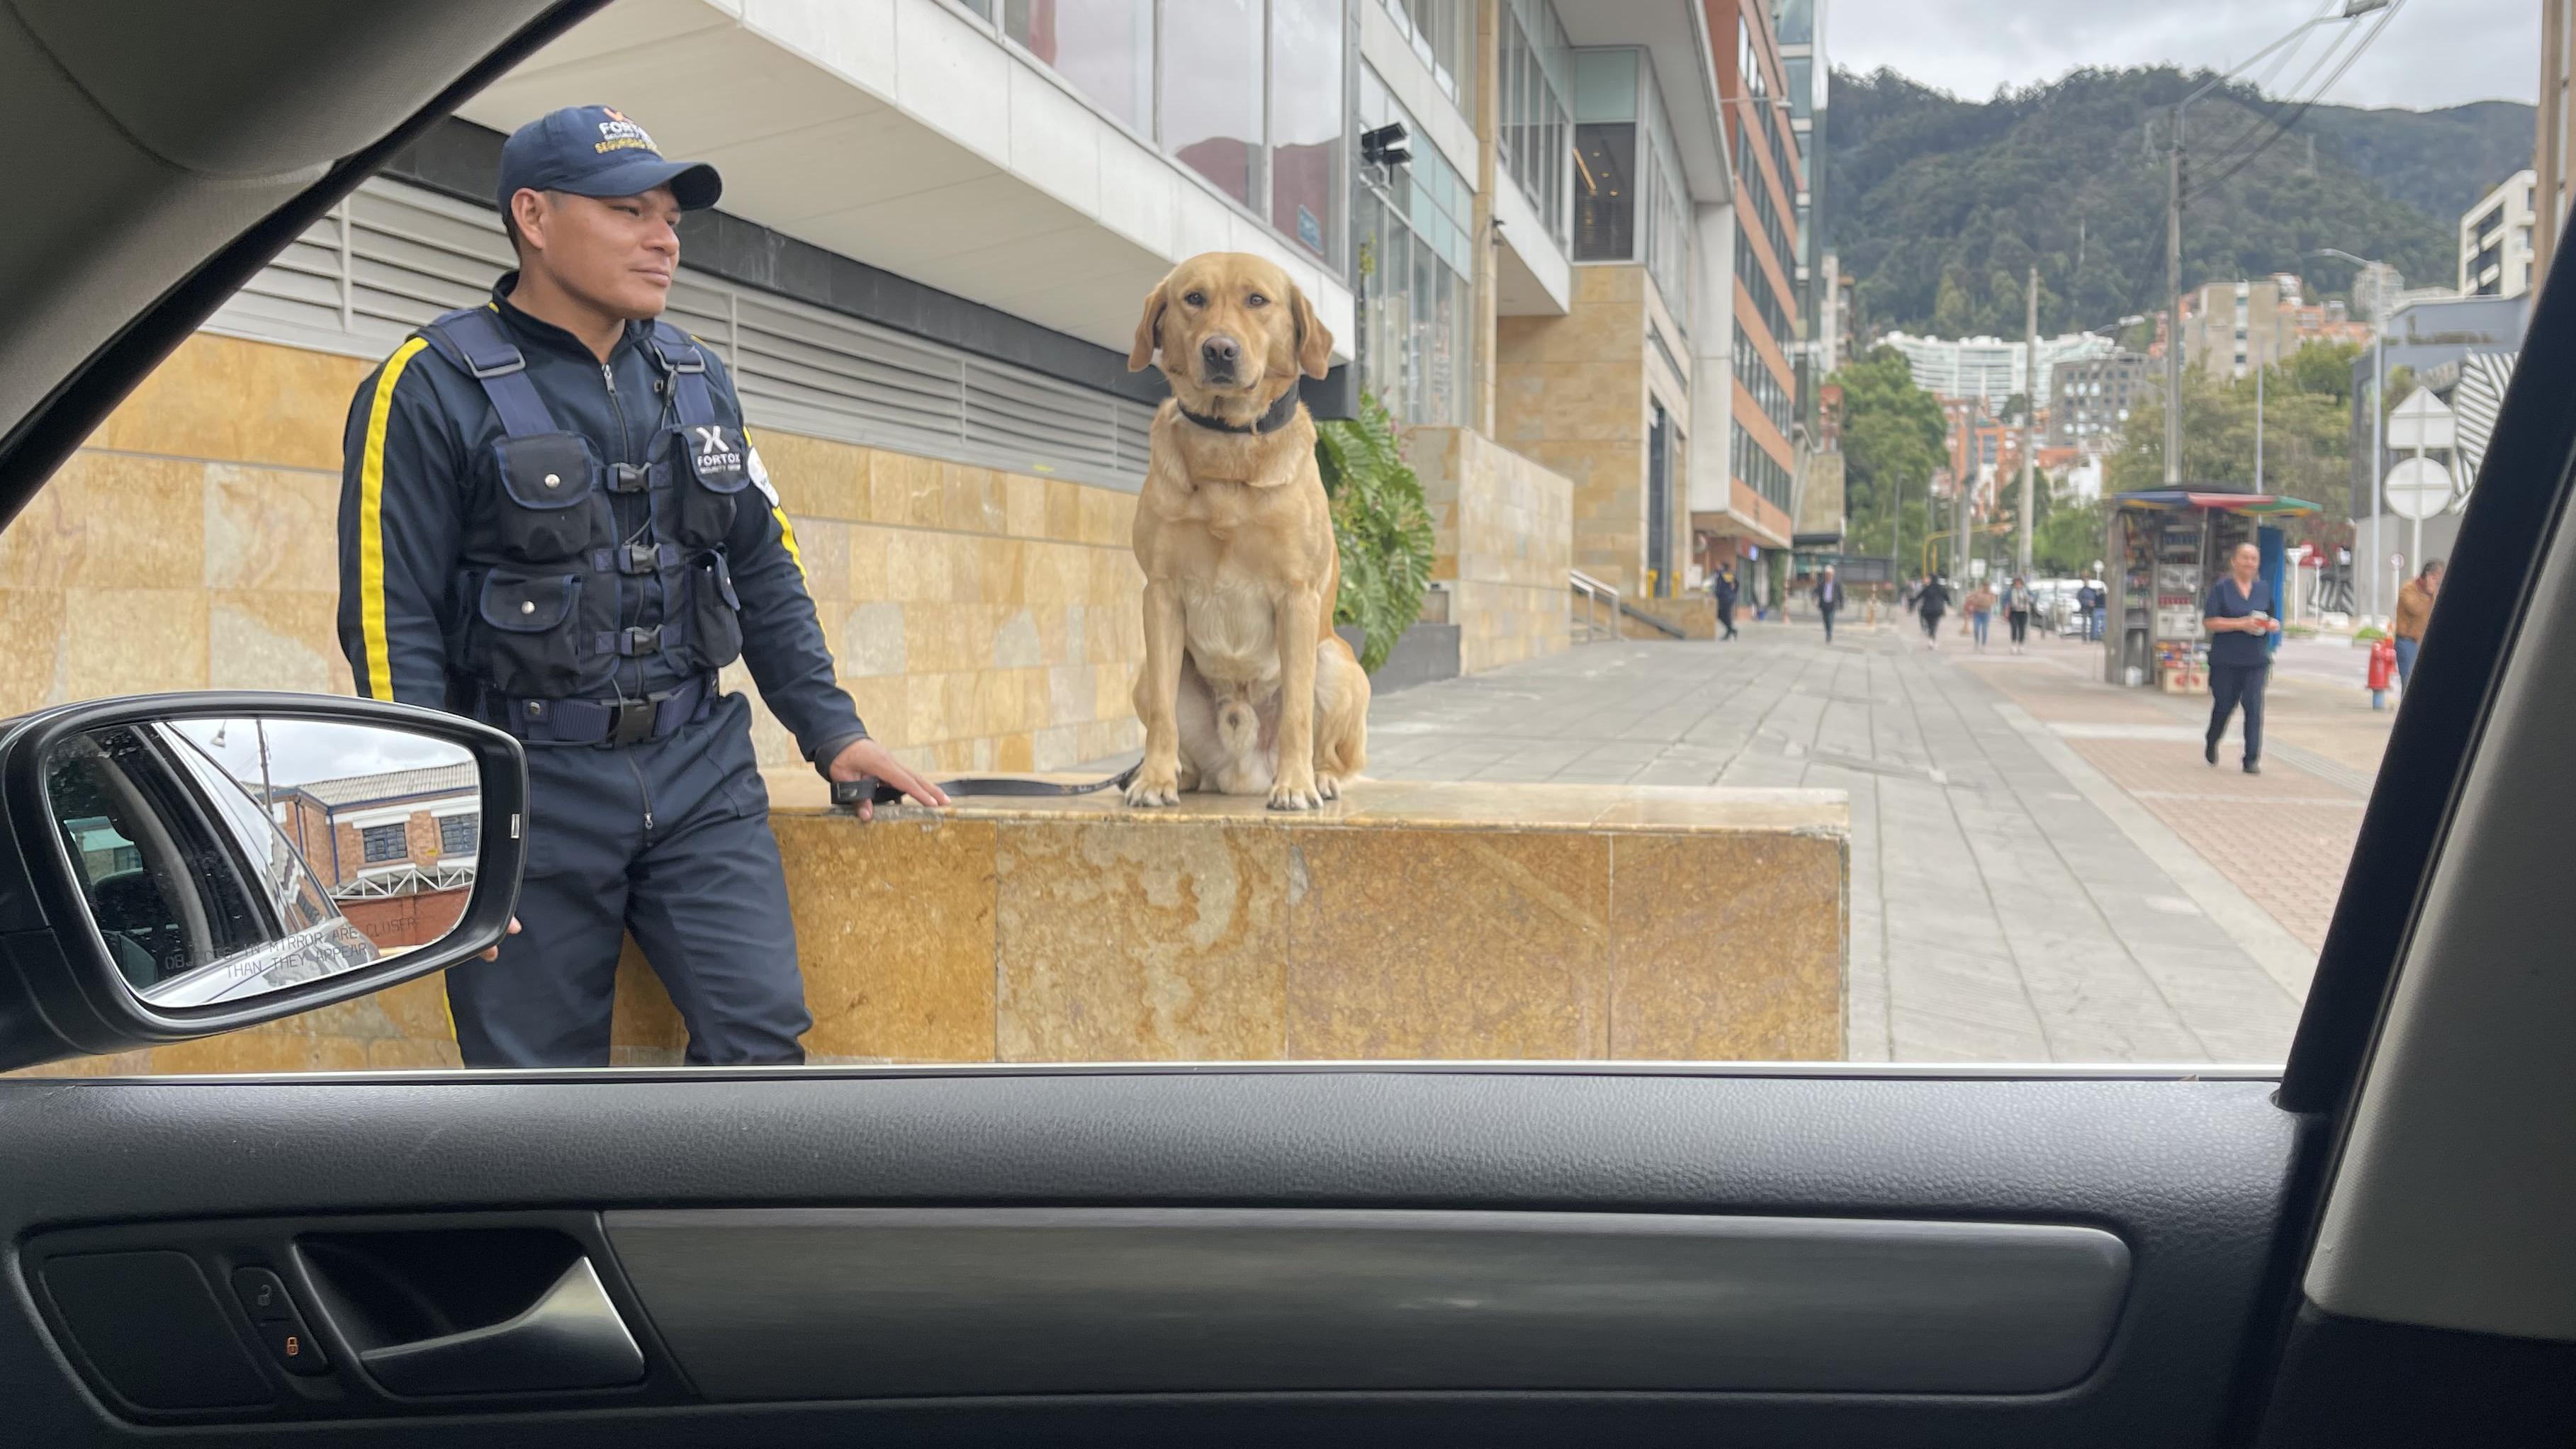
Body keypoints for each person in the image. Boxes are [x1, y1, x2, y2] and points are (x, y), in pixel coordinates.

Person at [336, 106, 948, 1069]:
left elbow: (762, 566)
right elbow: (388, 620)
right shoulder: (426, 384)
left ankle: (720, 1228)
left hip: (700, 769)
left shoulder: (697, 379)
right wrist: (439, 826)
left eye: (669, 218)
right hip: (527, 790)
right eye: (629, 211)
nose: (664, 239)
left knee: (759, 1044)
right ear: (533, 218)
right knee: (535, 1087)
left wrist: (834, 732)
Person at [2203, 542, 2282, 775]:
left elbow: (2271, 617)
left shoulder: (2263, 589)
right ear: (2234, 562)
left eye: (2254, 559)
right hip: (2226, 660)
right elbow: (2210, 622)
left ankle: (2251, 759)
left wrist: (2271, 625)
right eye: (2245, 558)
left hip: (2256, 659)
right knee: (2225, 705)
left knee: (2254, 705)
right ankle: (2212, 738)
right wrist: (2241, 624)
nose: (2249, 563)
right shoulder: (2221, 589)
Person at [2392, 558, 2443, 692]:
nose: (2436, 582)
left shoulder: (2432, 594)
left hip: (2421, 640)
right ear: (2426, 575)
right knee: (2408, 678)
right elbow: (2415, 609)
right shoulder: (2408, 589)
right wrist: (2428, 594)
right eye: (2434, 577)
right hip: (2406, 640)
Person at [1916, 575, 1951, 649]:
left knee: (1930, 625)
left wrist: (1911, 605)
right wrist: (1949, 603)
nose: (1927, 580)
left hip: (1927, 610)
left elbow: (1918, 597)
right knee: (1934, 625)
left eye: (1928, 578)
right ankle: (1932, 640)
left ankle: (1931, 640)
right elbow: (1947, 597)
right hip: (1937, 610)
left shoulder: (1927, 588)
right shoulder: (1941, 588)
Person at [2005, 575, 2035, 655]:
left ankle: (2021, 645)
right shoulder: (2010, 591)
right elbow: (2005, 600)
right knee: (2014, 628)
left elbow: (2032, 597)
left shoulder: (2026, 591)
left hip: (2023, 612)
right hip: (2014, 612)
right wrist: (2006, 610)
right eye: (2016, 583)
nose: (2018, 584)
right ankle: (2014, 644)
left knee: (2022, 629)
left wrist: (2028, 598)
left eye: (2019, 583)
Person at [1814, 565, 1844, 644]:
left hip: (1832, 605)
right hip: (1824, 604)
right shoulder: (1822, 583)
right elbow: (1816, 591)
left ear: (1832, 574)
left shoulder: (1837, 584)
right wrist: (1816, 597)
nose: (1828, 575)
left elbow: (1840, 595)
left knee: (1830, 620)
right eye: (1827, 574)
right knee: (1825, 620)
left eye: (1829, 574)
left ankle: (1828, 635)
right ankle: (1828, 632)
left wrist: (1841, 604)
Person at [1963, 580, 1996, 651]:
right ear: (1983, 586)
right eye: (1985, 586)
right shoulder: (1978, 593)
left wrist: (1984, 602)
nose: (1986, 587)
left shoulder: (1991, 594)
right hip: (1977, 613)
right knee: (1976, 629)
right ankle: (1977, 642)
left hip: (1986, 613)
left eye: (1988, 586)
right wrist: (1973, 602)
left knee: (1984, 629)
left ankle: (1983, 645)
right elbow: (1969, 598)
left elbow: (1993, 602)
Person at [1712, 565, 1740, 641]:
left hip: (1727, 599)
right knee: (1720, 615)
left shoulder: (1726, 574)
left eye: (1719, 566)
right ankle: (1731, 630)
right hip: (1721, 599)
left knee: (1726, 616)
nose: (1717, 567)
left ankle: (1730, 631)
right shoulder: (1718, 575)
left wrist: (1733, 593)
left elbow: (1737, 583)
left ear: (1723, 567)